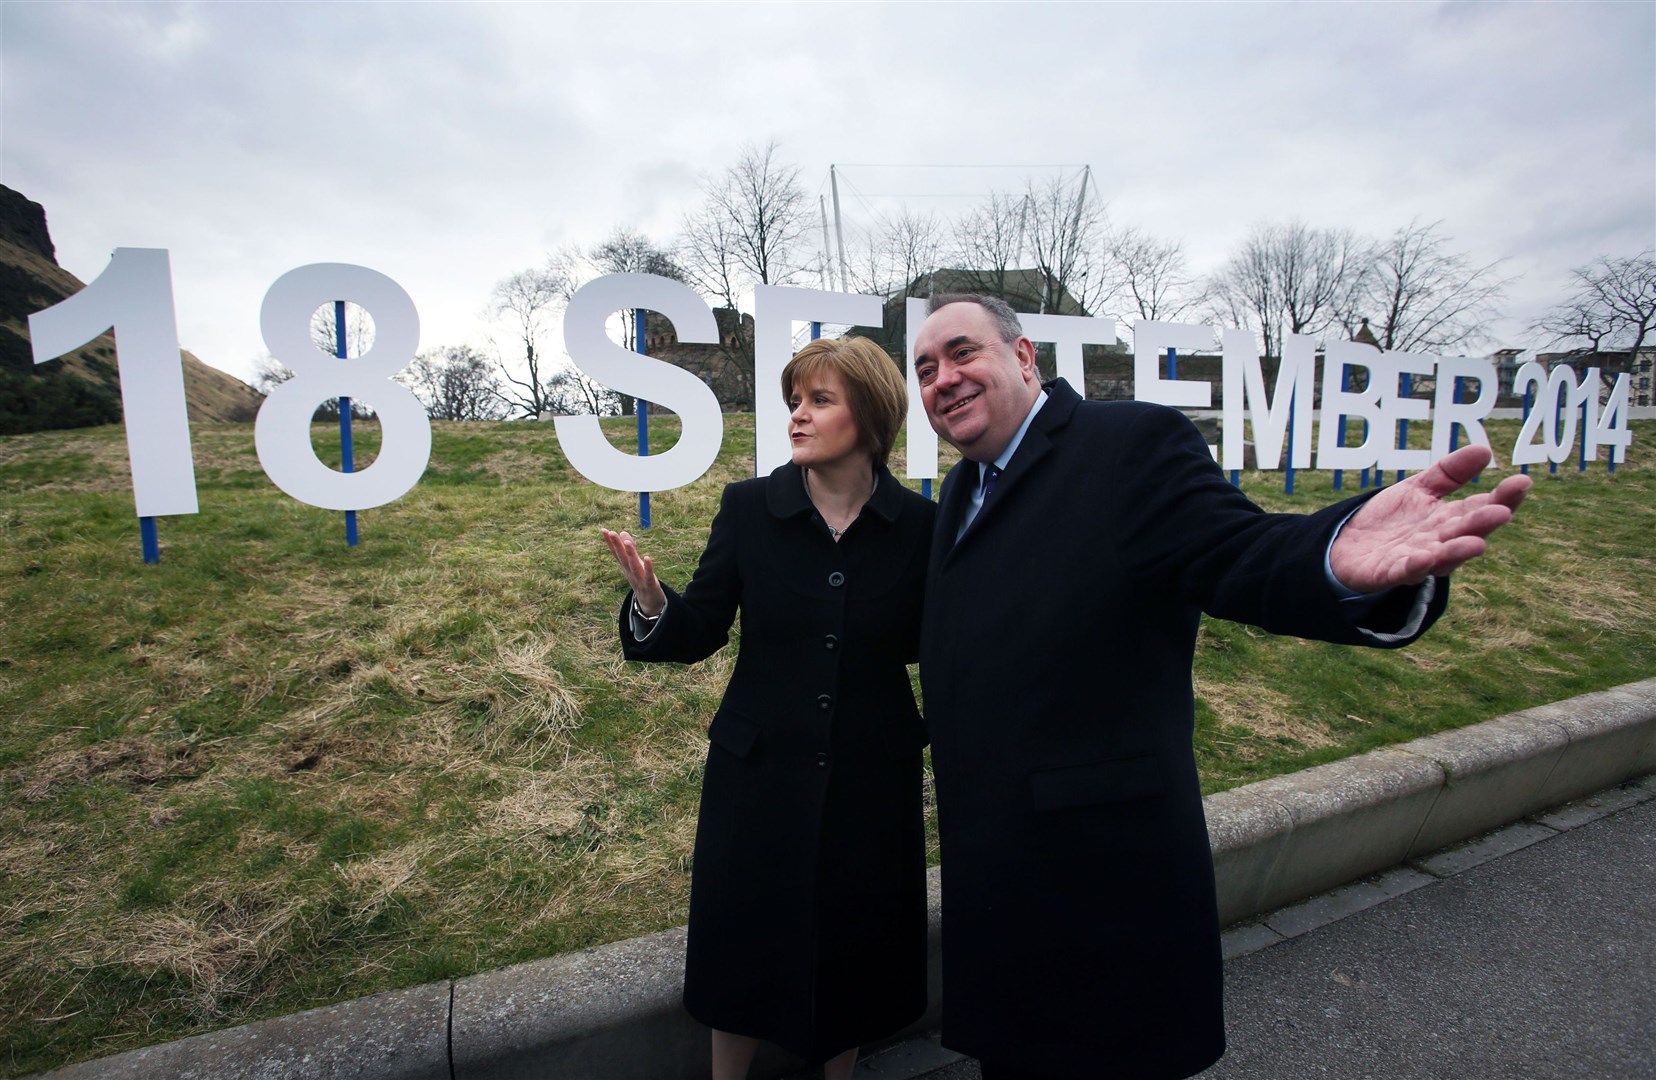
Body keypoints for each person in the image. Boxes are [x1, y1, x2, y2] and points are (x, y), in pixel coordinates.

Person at [910, 293, 1530, 1080]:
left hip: (1100, 882)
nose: (944, 379)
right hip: (1001, 877)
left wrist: (1331, 557)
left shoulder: (1128, 444)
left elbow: (1238, 553)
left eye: (962, 354)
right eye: (926, 369)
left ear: (1024, 357)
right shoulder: (964, 489)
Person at [601, 336, 936, 1080]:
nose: (798, 416)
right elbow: (702, 631)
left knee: (855, 938)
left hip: (869, 776)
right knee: (744, 938)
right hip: (757, 774)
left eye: (820, 400)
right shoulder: (750, 508)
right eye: (794, 401)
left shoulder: (920, 526)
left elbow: (932, 647)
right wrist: (656, 604)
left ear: (872, 416)